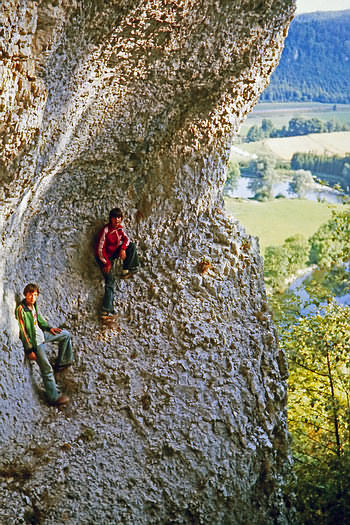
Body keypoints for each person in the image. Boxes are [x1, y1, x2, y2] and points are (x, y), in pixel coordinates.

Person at [16, 283, 73, 406]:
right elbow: (23, 331)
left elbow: (39, 319)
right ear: (25, 294)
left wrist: (49, 327)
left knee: (65, 335)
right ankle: (53, 397)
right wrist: (29, 350)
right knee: (46, 368)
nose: (33, 297)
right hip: (35, 343)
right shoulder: (21, 309)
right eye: (30, 294)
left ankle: (63, 362)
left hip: (41, 335)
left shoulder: (33, 305)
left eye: (35, 295)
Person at [96, 207, 139, 316]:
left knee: (132, 246)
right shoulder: (105, 231)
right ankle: (106, 310)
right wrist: (107, 263)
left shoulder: (119, 229)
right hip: (104, 258)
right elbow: (99, 250)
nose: (117, 220)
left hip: (113, 254)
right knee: (110, 280)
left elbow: (127, 240)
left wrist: (123, 248)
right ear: (110, 219)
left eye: (119, 217)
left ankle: (127, 269)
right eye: (114, 218)